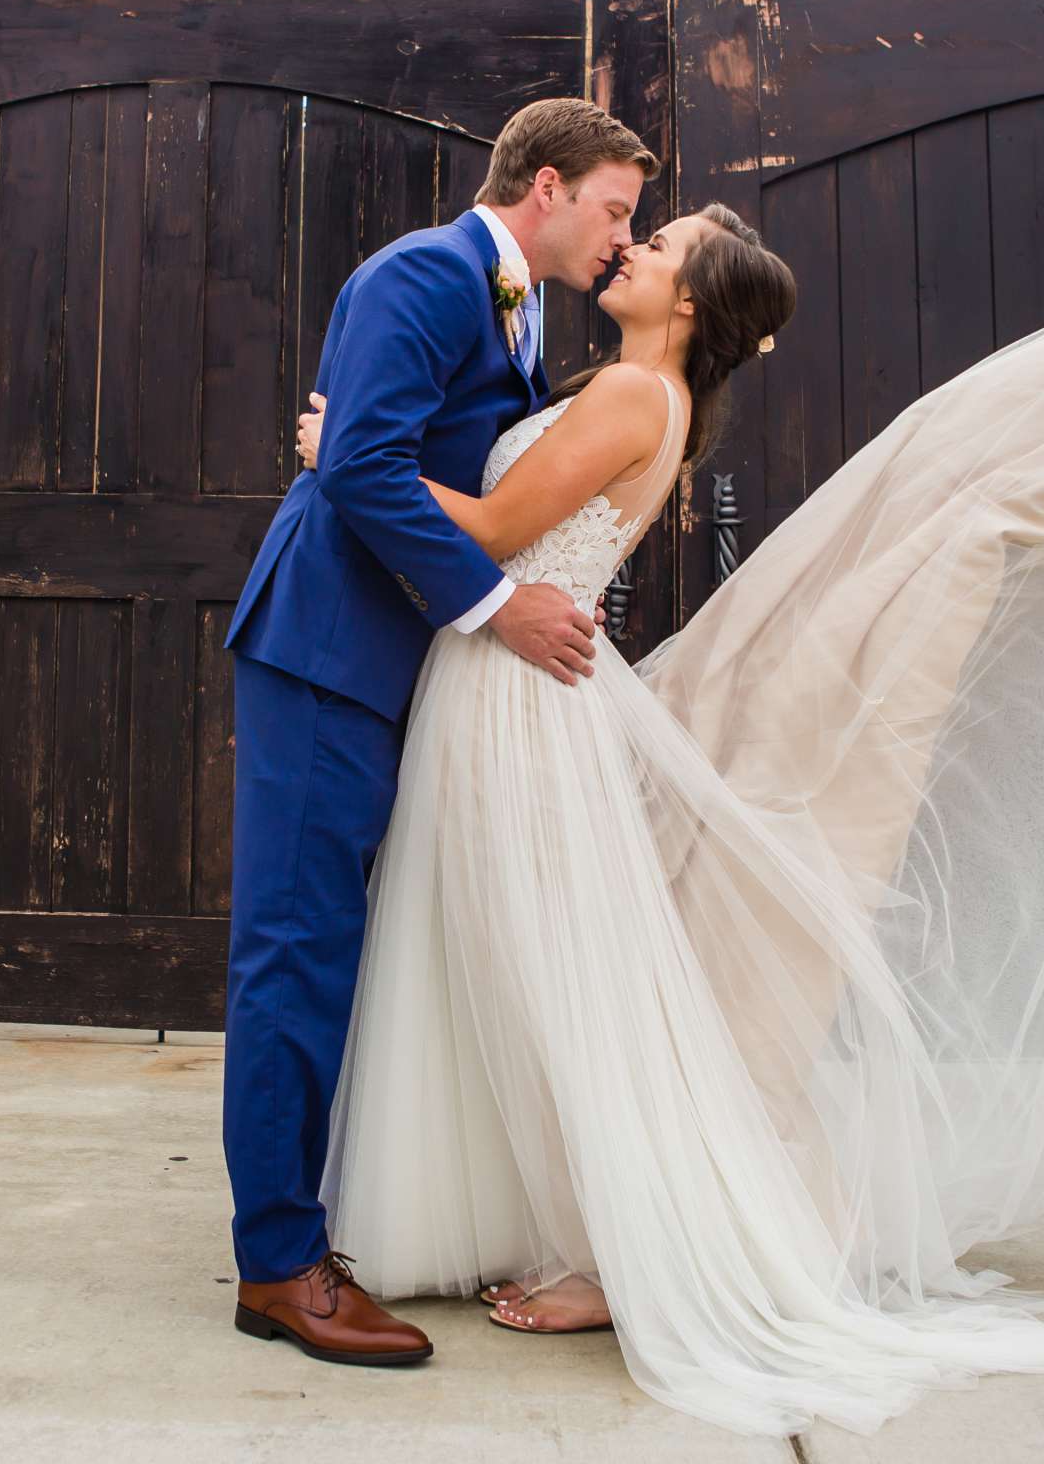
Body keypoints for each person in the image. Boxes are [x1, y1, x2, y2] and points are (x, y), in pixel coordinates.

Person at [299, 203, 1044, 1435]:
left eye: (657, 245)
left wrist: (344, 457)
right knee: (533, 970)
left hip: (523, 688)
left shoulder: (631, 398)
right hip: (510, 683)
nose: (633, 248)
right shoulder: (617, 389)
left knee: (555, 978)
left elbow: (503, 533)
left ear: (686, 307)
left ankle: (625, 1255)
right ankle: (576, 1228)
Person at [219, 97, 656, 1367]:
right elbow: (358, 467)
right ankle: (280, 1269)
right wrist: (498, 605)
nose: (620, 240)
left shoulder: (510, 307)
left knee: (329, 951)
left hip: (383, 661)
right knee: (293, 953)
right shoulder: (425, 270)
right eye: (614, 209)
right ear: (548, 186)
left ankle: (300, 1232)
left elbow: (401, 459)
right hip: (323, 649)